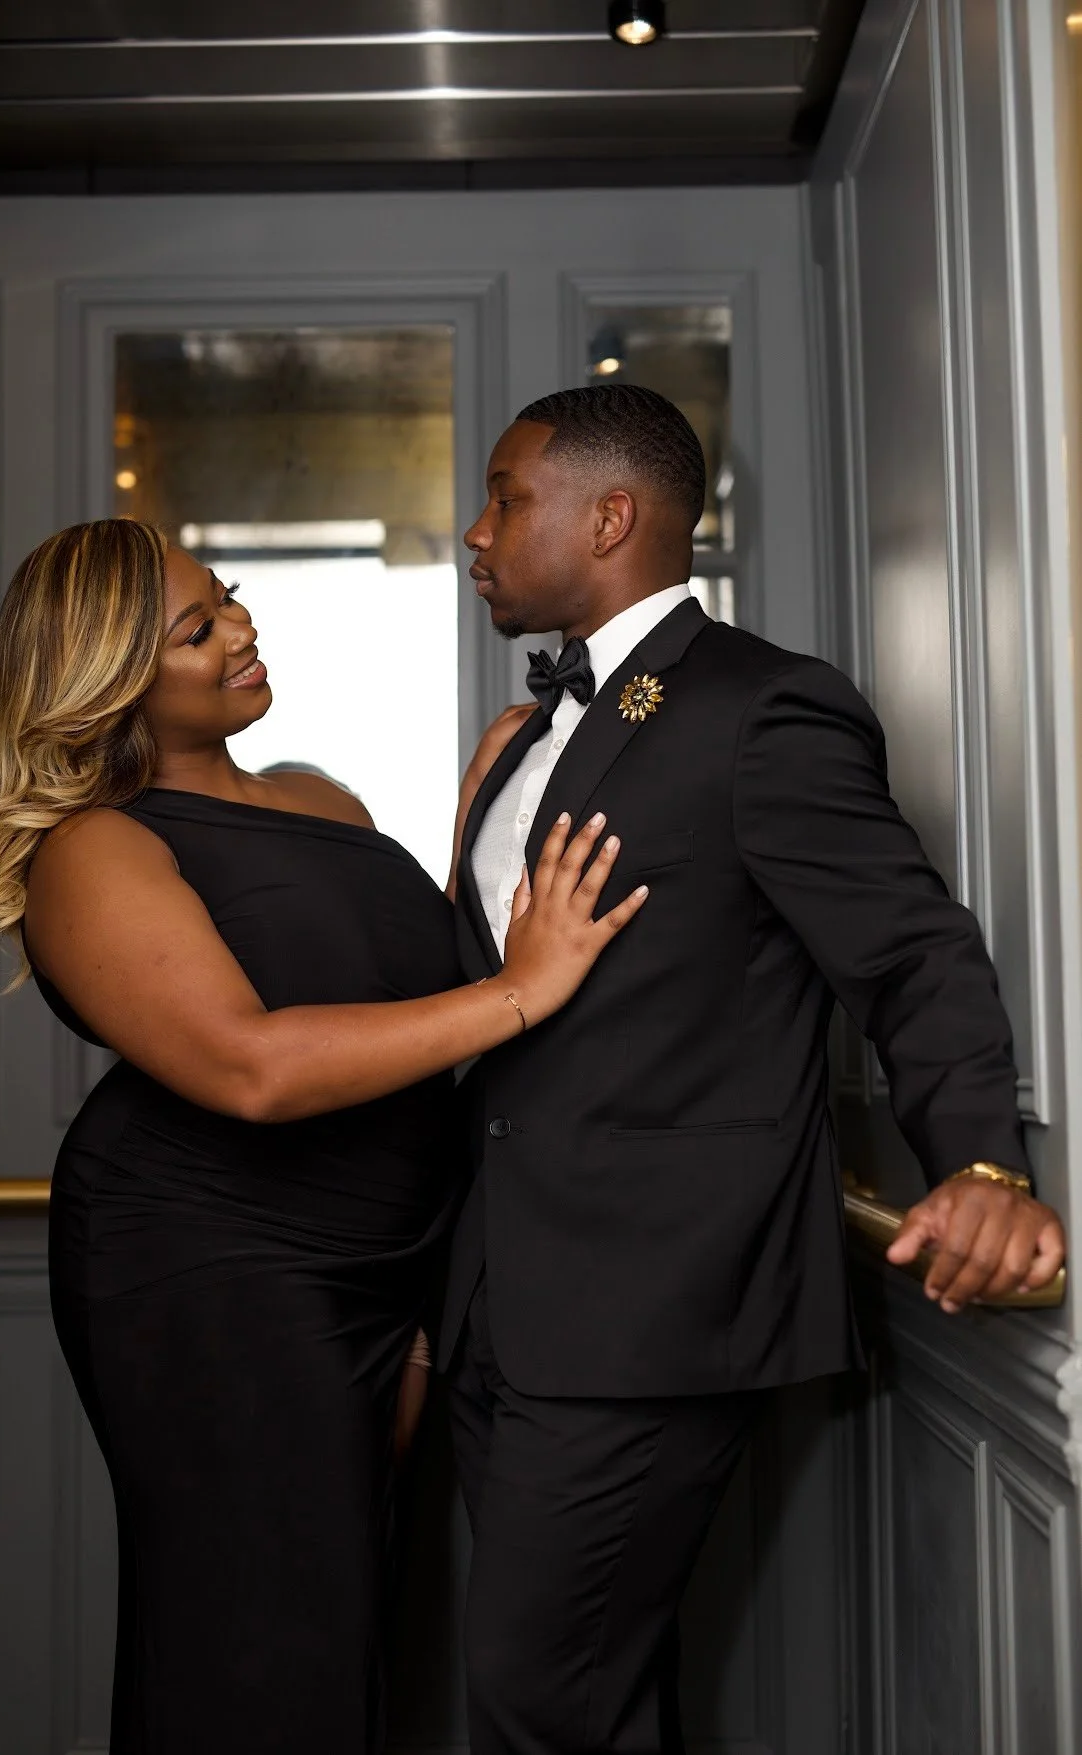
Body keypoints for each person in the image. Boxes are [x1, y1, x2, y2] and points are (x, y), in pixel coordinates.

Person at [441, 383, 1067, 1755]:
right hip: (500, 1291)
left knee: (536, 1697)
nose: (473, 534)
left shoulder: (760, 708)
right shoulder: (523, 736)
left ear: (609, 515)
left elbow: (910, 953)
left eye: (503, 497)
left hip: (647, 1302)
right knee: (584, 1691)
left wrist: (979, 1162)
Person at [0, 518, 648, 1755]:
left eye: (225, 598)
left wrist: (477, 832)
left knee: (348, 1614)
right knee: (261, 1637)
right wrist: (523, 988)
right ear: (107, 682)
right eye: (197, 628)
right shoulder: (94, 850)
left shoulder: (317, 796)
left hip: (380, 1256)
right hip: (213, 1266)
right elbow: (251, 1066)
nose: (241, 627)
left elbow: (383, 985)